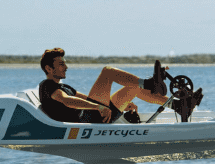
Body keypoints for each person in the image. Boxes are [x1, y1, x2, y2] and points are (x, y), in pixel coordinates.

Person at [37, 49, 170, 125]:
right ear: (48, 68)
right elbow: (67, 101)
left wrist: (123, 105)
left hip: (98, 115)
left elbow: (86, 99)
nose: (66, 67)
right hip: (87, 120)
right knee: (108, 72)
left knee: (133, 87)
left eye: (65, 64)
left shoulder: (63, 86)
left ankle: (175, 104)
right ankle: (149, 84)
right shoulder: (47, 85)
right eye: (61, 64)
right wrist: (98, 107)